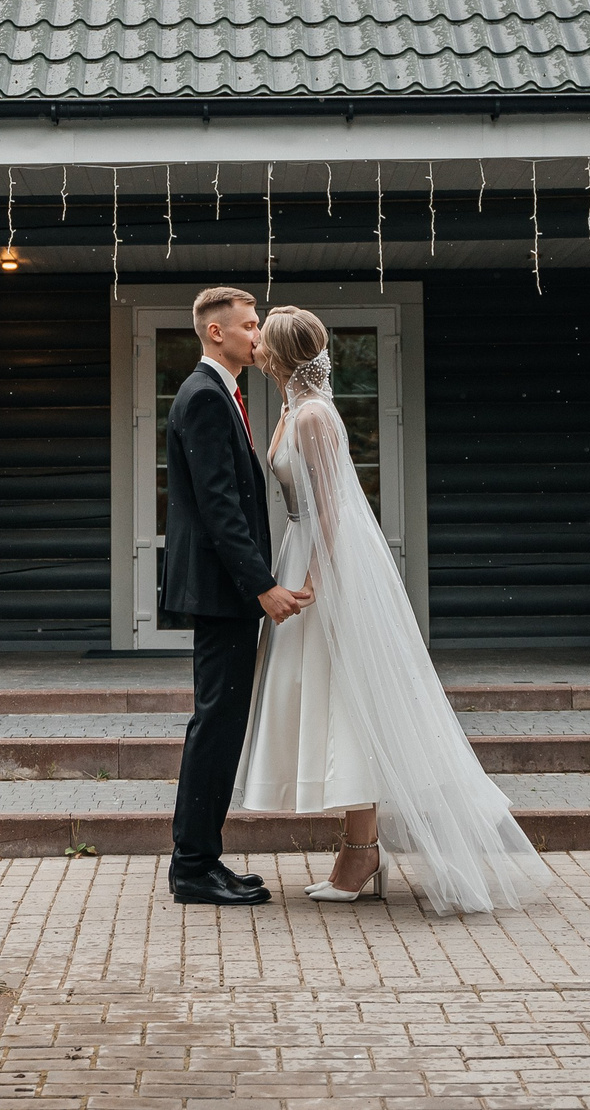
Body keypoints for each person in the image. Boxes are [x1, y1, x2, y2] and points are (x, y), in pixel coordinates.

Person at [236, 305, 552, 913]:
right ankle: (361, 849)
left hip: (323, 564)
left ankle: (361, 851)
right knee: (329, 702)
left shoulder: (314, 419)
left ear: (276, 355)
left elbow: (332, 509)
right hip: (298, 550)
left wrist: (314, 582)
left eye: (261, 341)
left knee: (350, 706)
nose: (254, 347)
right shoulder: (291, 410)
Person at [161, 285, 311, 905]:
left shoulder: (225, 393)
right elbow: (220, 507)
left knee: (222, 721)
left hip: (228, 591)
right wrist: (264, 587)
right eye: (250, 326)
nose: (259, 334)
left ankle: (201, 859)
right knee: (217, 722)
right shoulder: (202, 396)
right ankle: (193, 866)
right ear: (216, 332)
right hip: (224, 592)